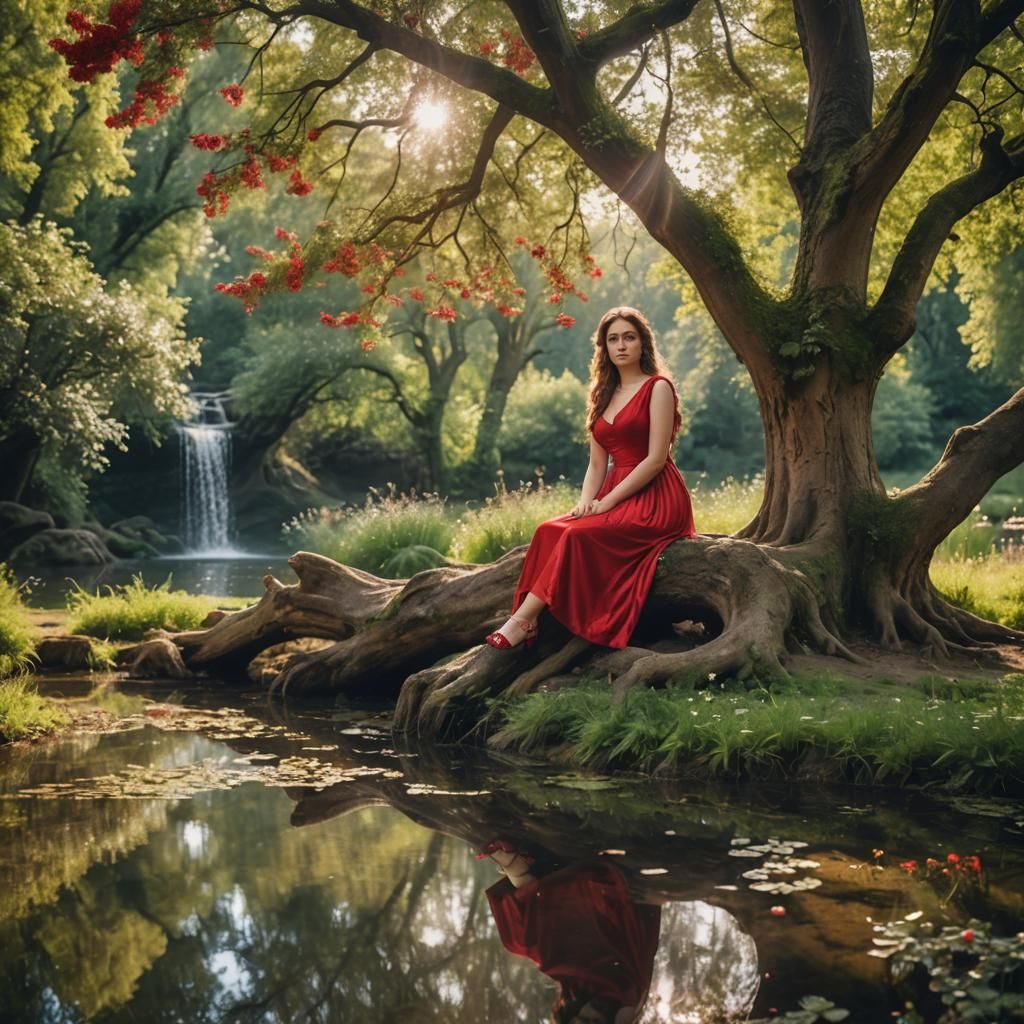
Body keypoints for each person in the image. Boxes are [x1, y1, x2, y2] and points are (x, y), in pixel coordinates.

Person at [485, 306, 698, 651]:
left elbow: (656, 459)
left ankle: (524, 620)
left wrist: (608, 502)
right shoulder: (603, 395)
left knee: (576, 538)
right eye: (613, 339)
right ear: (604, 348)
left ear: (643, 343)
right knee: (548, 530)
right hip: (614, 489)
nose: (621, 345)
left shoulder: (658, 387)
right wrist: (587, 500)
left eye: (629, 337)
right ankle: (530, 618)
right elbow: (597, 464)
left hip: (655, 495)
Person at [479, 840, 661, 1024]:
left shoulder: (577, 998)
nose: (584, 1016)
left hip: (575, 955)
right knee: (539, 935)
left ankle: (514, 865)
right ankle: (521, 868)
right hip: (603, 938)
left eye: (579, 1018)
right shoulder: (625, 1005)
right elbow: (625, 993)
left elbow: (568, 975)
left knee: (520, 941)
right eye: (591, 1020)